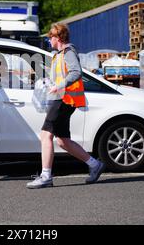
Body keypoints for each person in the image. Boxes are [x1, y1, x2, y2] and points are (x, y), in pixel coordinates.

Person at [27, 23, 105, 189]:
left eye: (51, 37)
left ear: (58, 38)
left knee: (45, 135)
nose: (49, 40)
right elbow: (60, 75)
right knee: (62, 141)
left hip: (64, 99)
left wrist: (60, 85)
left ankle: (46, 176)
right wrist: (49, 83)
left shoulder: (68, 52)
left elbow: (76, 72)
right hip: (61, 98)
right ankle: (95, 165)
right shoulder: (58, 54)